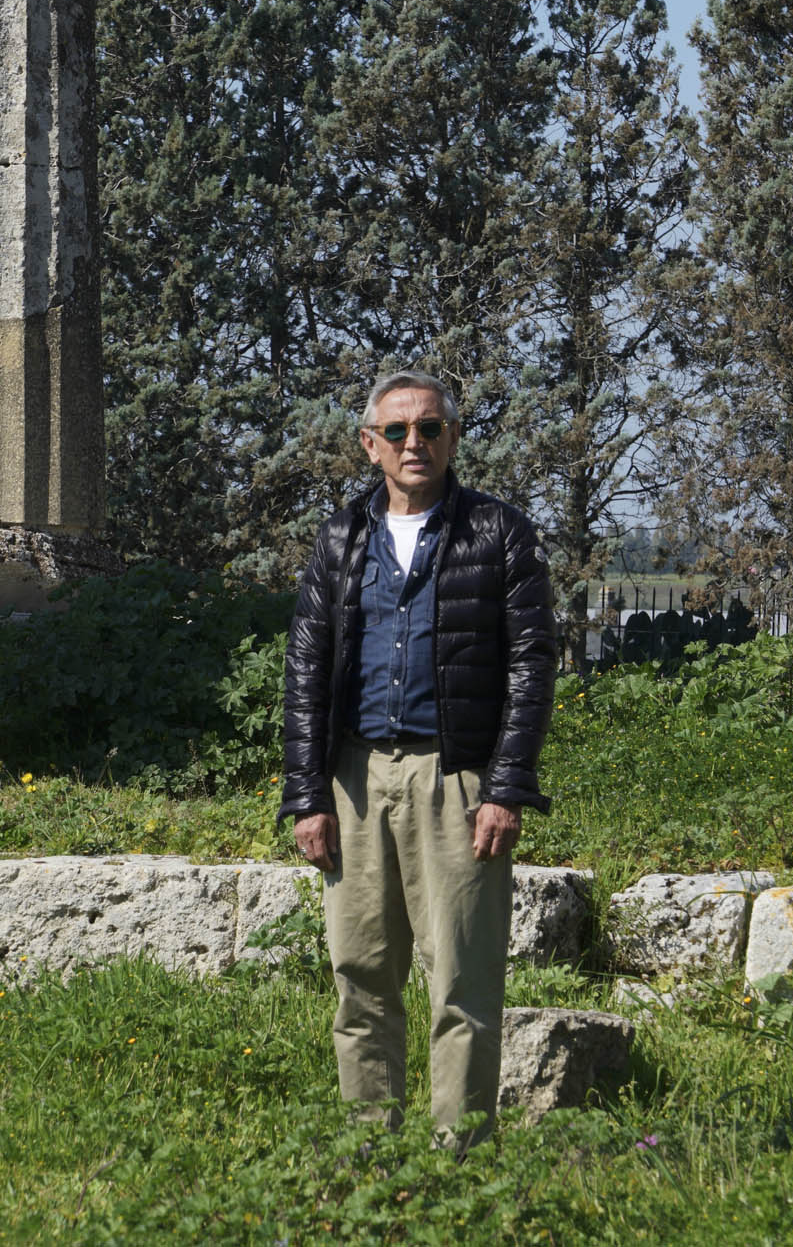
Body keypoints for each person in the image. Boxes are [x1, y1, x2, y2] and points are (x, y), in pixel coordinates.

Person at [279, 370, 556, 1149]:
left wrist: (505, 786)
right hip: (356, 778)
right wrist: (307, 794)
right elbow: (306, 669)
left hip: (456, 779)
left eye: (430, 428)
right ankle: (369, 1149)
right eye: (397, 431)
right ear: (369, 445)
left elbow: (533, 664)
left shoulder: (499, 533)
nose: (414, 444)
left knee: (461, 980)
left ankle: (457, 1159)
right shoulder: (340, 539)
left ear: (453, 439)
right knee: (360, 974)